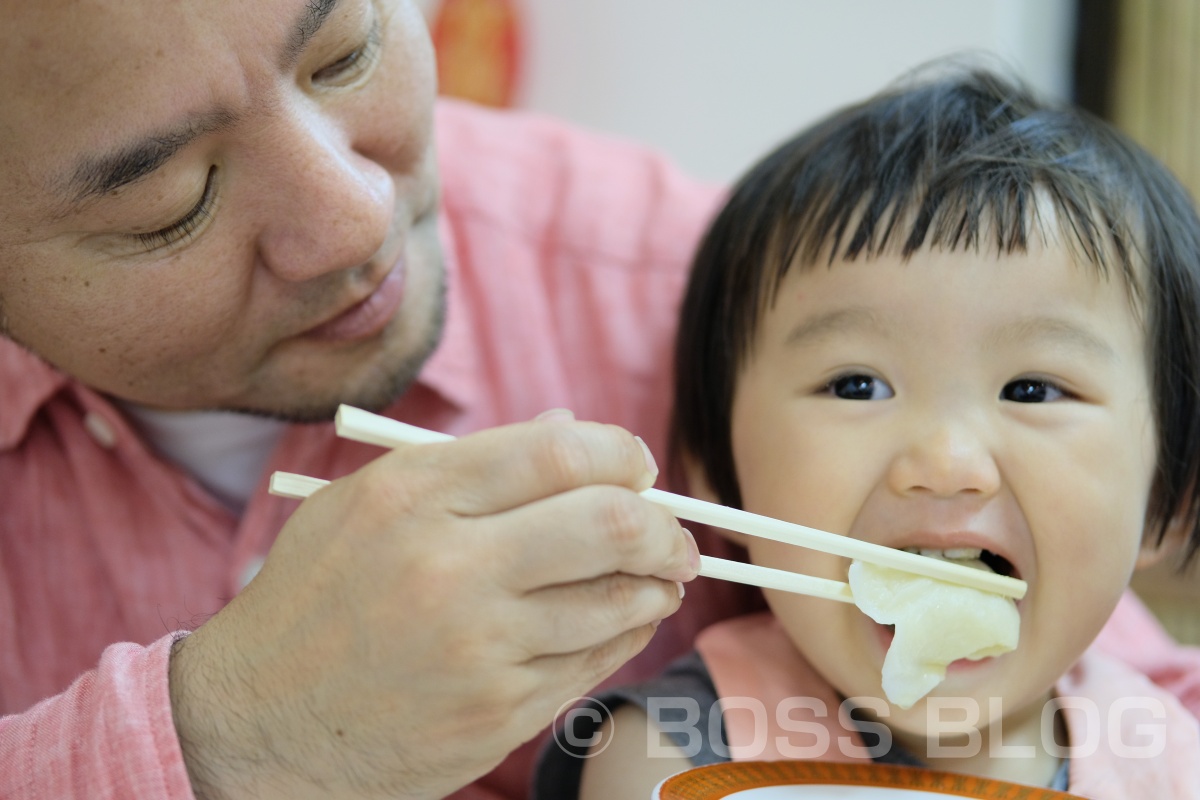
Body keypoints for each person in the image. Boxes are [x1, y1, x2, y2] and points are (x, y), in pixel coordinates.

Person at [0, 1, 779, 798]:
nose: (356, 220)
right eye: (171, 203)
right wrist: (229, 738)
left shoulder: (728, 301)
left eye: (346, 57)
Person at [537, 67, 1200, 798]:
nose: (946, 463)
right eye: (857, 385)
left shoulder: (1168, 756)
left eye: (1033, 390)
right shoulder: (673, 751)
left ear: (1166, 500)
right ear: (719, 478)